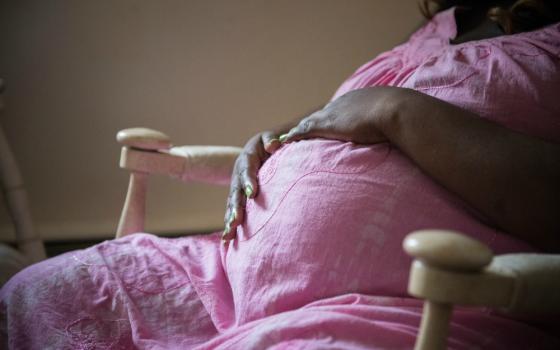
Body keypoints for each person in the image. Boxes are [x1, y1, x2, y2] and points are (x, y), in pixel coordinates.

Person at [2, 1, 559, 349]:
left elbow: (390, 109)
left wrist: (400, 112)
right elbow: (348, 113)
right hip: (223, 278)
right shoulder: (442, 23)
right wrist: (271, 140)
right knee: (41, 292)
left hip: (411, 311)